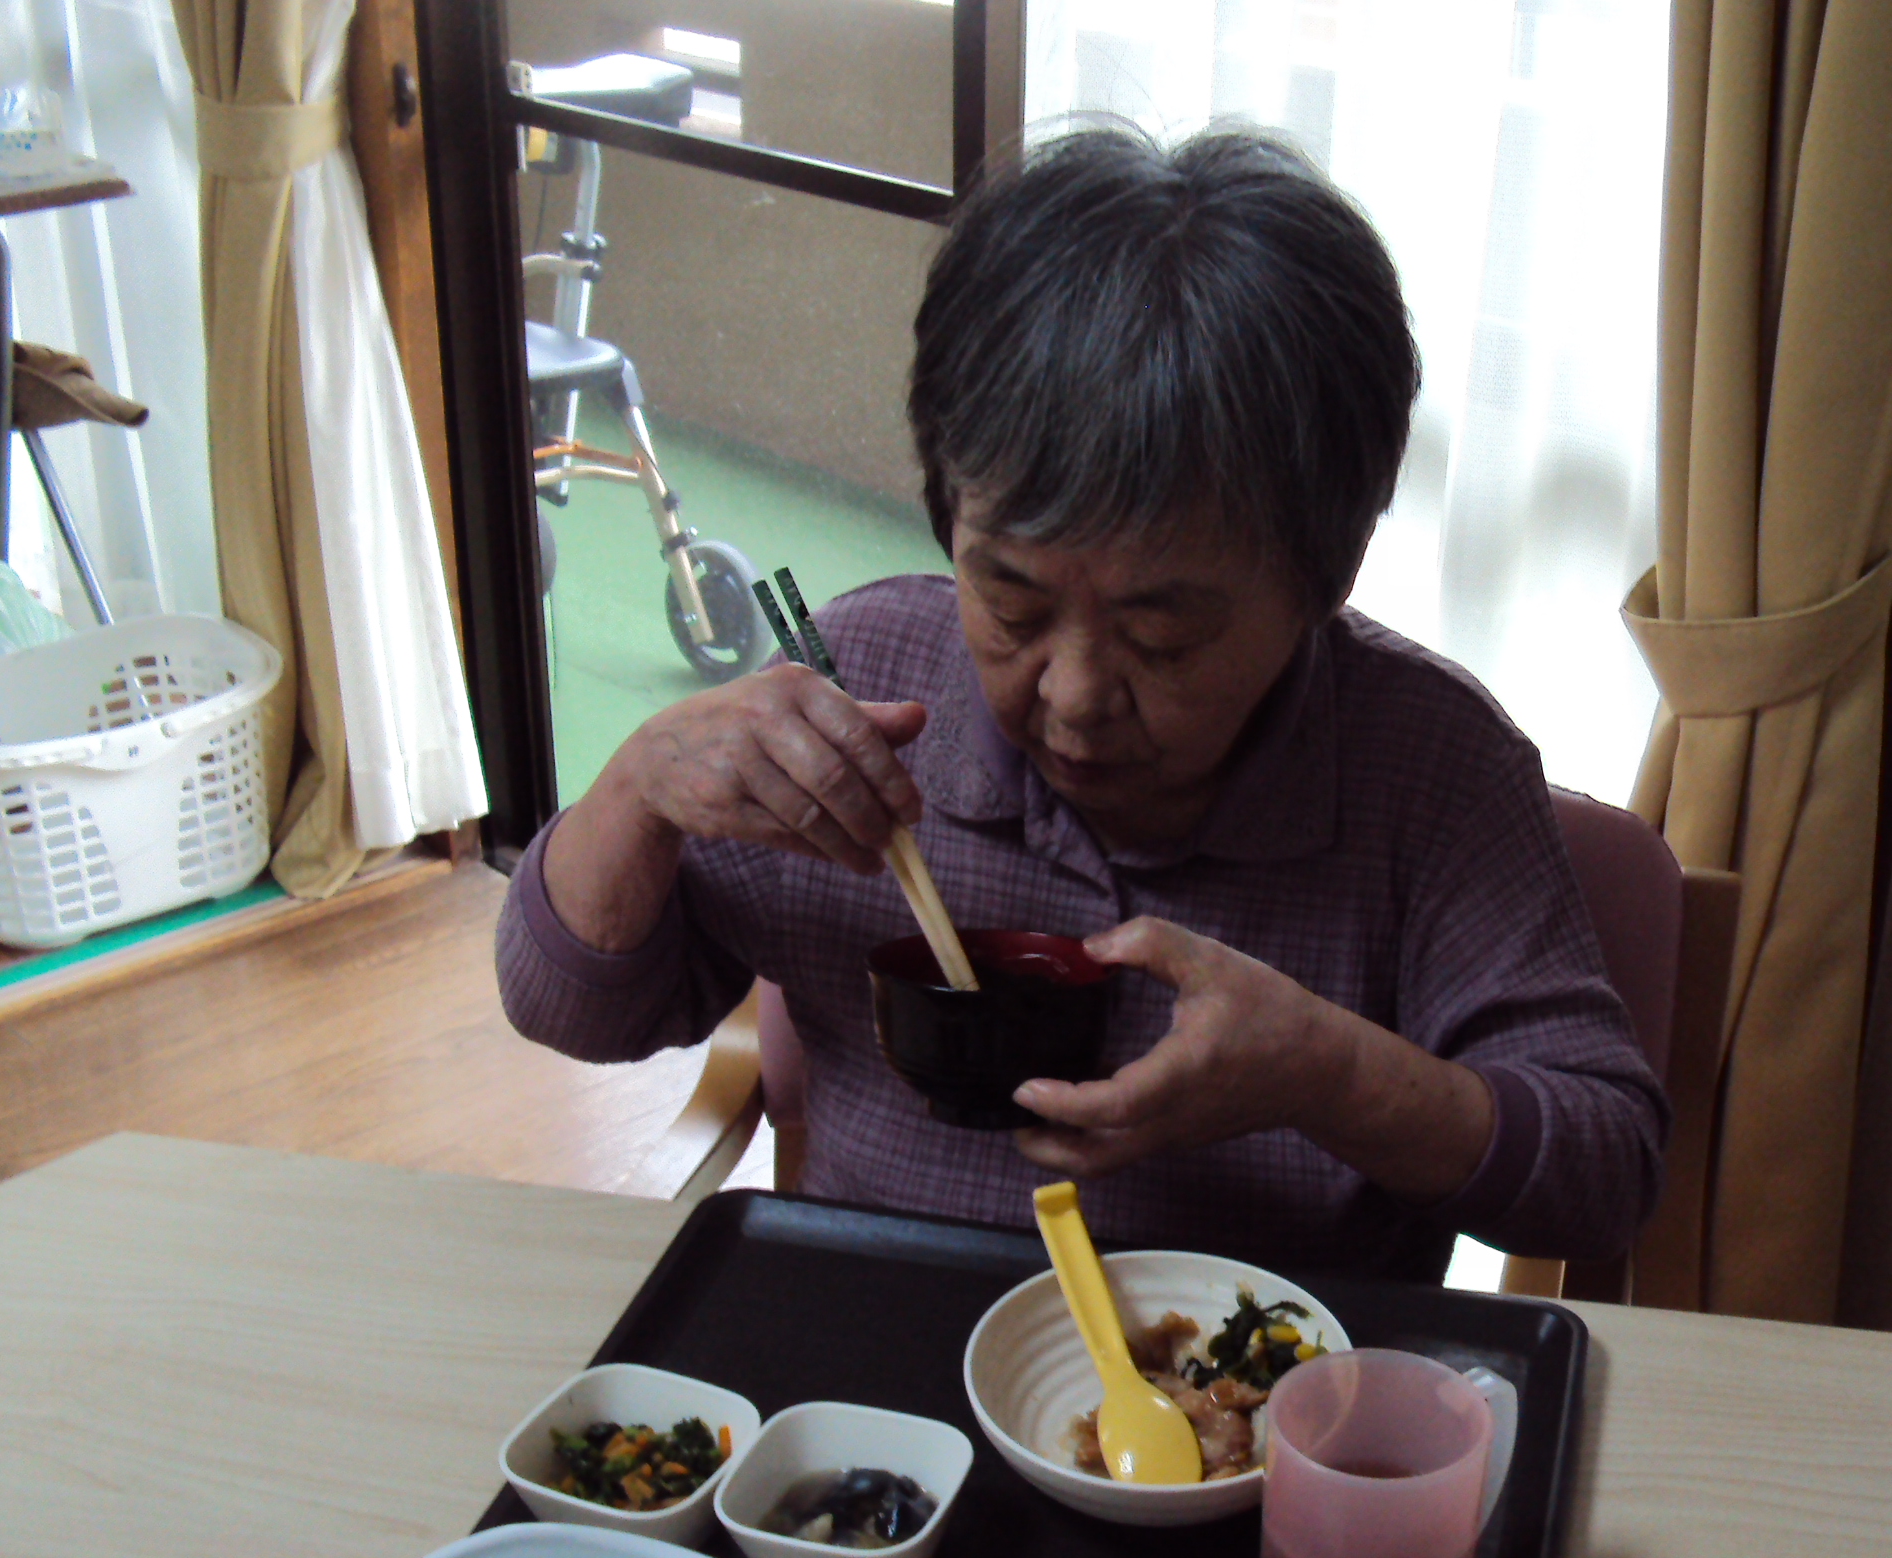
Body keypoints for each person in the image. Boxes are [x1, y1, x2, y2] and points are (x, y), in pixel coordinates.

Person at [498, 124, 1666, 1282]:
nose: (1074, 695)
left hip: (1261, 1389)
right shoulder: (859, 686)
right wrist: (638, 793)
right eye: (1010, 602)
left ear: (1328, 575)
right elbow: (568, 1010)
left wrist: (1329, 1075)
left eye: (1163, 636)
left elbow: (1605, 1174)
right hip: (886, 1361)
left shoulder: (1428, 768)